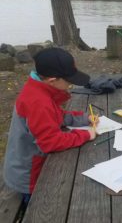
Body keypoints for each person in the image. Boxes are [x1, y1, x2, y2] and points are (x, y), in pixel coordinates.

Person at [3, 47, 97, 205]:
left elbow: (56, 116)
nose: (70, 86)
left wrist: (84, 118)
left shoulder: (38, 89)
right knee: (40, 207)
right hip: (29, 175)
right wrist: (87, 135)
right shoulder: (38, 103)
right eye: (69, 82)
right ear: (53, 80)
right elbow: (51, 142)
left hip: (28, 164)